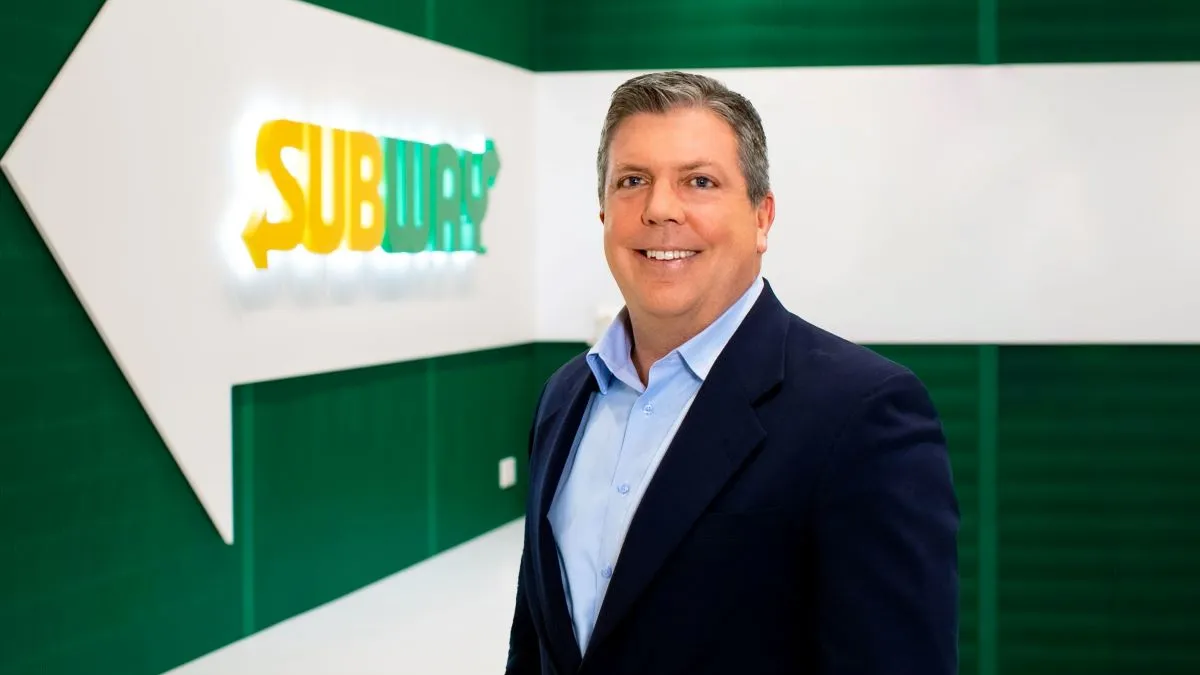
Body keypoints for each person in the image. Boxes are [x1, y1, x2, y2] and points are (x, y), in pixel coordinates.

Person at [505, 70, 959, 675]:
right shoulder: (564, 399)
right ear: (604, 215)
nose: (660, 209)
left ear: (762, 217)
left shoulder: (862, 414)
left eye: (699, 181)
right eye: (632, 181)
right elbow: (534, 643)